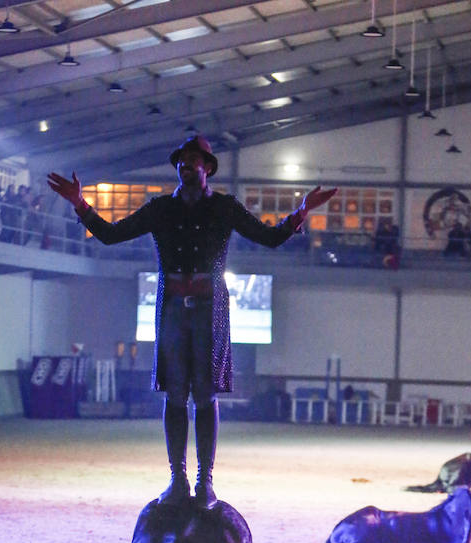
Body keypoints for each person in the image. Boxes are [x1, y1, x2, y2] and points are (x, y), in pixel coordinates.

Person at [48, 135, 336, 508]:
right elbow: (109, 234)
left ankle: (205, 482)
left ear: (208, 168)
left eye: (194, 160)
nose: (186, 165)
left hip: (210, 309)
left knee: (205, 394)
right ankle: (177, 479)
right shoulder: (159, 209)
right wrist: (80, 203)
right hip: (171, 310)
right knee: (174, 394)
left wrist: (301, 212)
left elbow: (269, 237)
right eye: (182, 161)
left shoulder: (225, 208)